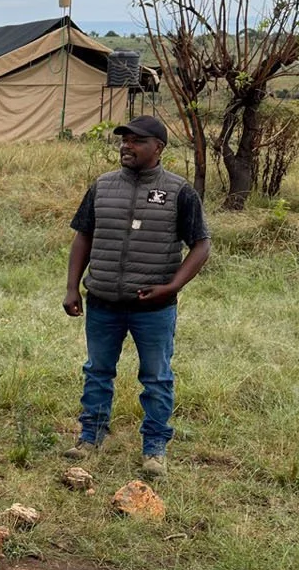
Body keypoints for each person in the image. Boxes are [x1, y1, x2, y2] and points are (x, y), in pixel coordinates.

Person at [62, 114, 210, 479]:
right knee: (97, 371)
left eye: (137, 141)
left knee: (156, 377)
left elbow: (201, 245)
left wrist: (173, 286)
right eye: (124, 140)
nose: (126, 146)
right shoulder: (103, 186)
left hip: (153, 307)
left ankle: (155, 449)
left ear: (158, 148)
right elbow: (83, 236)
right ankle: (90, 438)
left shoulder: (179, 192)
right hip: (103, 300)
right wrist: (72, 286)